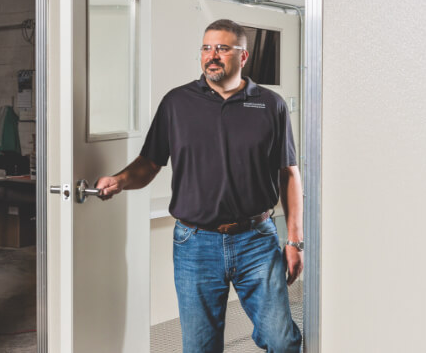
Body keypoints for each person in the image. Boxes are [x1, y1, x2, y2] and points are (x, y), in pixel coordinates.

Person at [95, 19, 303, 353]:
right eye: (206, 48)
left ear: (243, 56)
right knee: (200, 348)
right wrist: (119, 180)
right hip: (195, 244)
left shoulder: (270, 104)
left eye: (222, 48)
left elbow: (288, 173)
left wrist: (294, 240)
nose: (212, 55)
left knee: (282, 340)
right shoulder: (176, 103)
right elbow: (149, 162)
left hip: (257, 241)